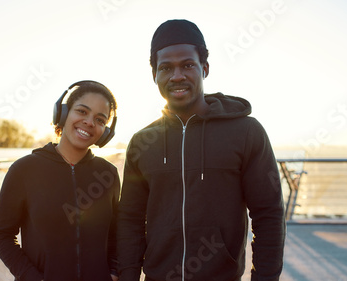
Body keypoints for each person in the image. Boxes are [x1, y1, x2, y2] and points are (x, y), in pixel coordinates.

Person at [116, 19, 285, 281]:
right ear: (154, 75)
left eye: (188, 65)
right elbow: (130, 219)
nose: (177, 76)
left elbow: (269, 214)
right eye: (166, 68)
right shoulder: (142, 142)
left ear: (204, 68)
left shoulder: (246, 132)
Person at [0, 80, 120, 281]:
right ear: (62, 113)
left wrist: (113, 272)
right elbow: (1, 236)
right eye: (82, 111)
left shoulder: (108, 174)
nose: (89, 122)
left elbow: (116, 234)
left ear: (106, 132)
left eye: (100, 120)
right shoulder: (24, 170)